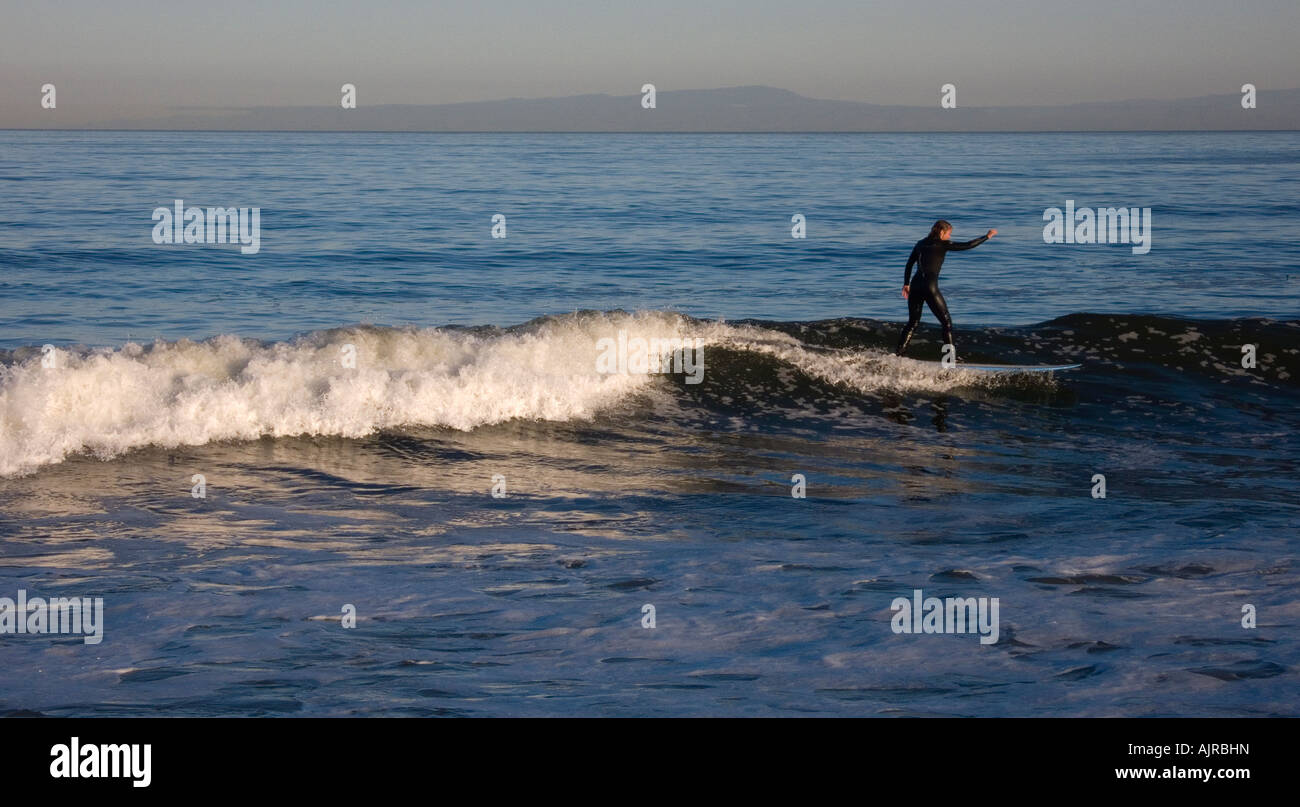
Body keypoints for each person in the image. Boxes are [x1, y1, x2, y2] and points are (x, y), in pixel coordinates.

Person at [895, 220, 996, 357]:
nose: (949, 237)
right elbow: (968, 245)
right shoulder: (943, 244)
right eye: (949, 233)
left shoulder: (920, 243)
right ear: (942, 232)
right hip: (930, 287)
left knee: (913, 322)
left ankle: (899, 353)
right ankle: (949, 360)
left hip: (915, 285)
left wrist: (906, 284)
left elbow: (909, 264)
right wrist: (987, 236)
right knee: (946, 323)